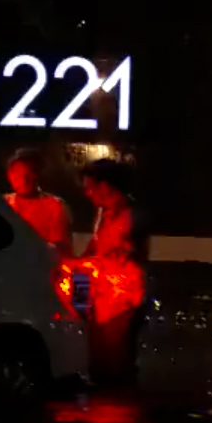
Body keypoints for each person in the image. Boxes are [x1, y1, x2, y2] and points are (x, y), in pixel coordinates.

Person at [78, 159, 149, 386]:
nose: (87, 194)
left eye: (90, 187)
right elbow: (94, 248)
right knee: (99, 361)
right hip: (103, 301)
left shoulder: (131, 215)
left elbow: (128, 256)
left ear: (106, 186)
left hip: (124, 303)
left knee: (117, 363)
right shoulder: (103, 213)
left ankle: (121, 407)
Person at [4, 149, 74, 252]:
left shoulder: (55, 206)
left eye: (28, 173)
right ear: (9, 176)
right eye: (17, 173)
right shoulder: (3, 204)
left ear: (37, 174)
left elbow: (61, 248)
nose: (23, 179)